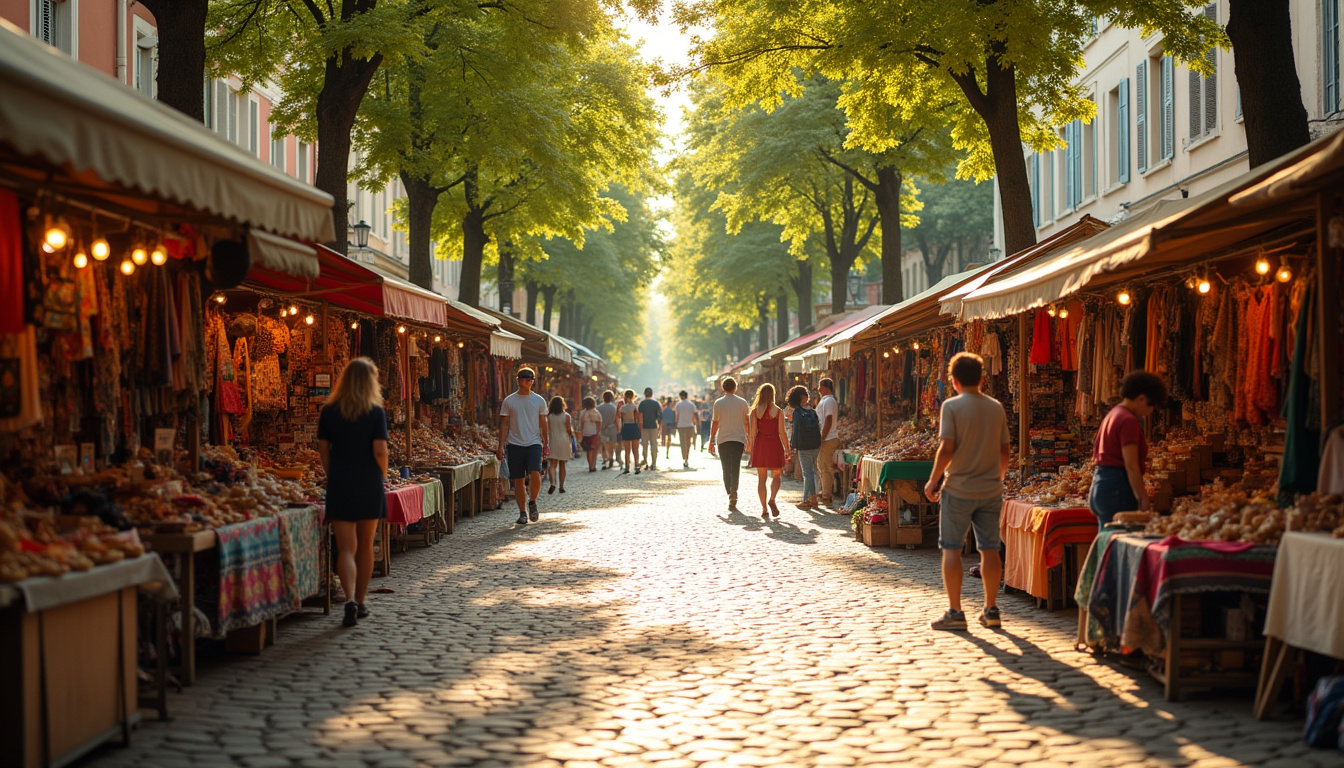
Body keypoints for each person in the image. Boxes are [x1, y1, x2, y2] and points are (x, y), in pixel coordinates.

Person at [923, 353, 1010, 631]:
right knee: (990, 549)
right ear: (983, 379)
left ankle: (955, 612)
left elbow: (946, 448)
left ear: (954, 381)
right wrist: (998, 478)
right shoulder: (996, 407)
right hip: (989, 489)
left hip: (958, 488)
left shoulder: (951, 407)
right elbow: (1005, 451)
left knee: (951, 548)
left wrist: (932, 481)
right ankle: (991, 609)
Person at [317, 357, 389, 628]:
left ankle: (348, 599)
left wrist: (331, 473)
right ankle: (360, 603)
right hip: (368, 481)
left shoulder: (329, 410)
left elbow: (324, 450)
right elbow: (380, 449)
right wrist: (381, 474)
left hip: (340, 481)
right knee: (366, 545)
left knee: (346, 548)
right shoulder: (375, 411)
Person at [1089, 371, 1167, 528]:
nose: (1151, 411)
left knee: (1108, 541)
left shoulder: (1113, 414)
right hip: (1117, 488)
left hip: (1101, 485)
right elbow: (1131, 465)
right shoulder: (1128, 420)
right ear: (1141, 398)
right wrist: (1143, 497)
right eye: (1151, 405)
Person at [497, 367, 549, 526]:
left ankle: (532, 501)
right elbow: (504, 424)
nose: (528, 381)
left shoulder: (539, 400)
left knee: (536, 473)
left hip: (533, 442)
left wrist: (546, 441)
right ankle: (522, 512)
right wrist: (500, 446)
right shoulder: (509, 400)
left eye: (530, 378)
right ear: (518, 380)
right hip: (514, 443)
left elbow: (543, 422)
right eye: (524, 378)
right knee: (518, 480)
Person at [747, 383, 790, 518]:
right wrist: (787, 449)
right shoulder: (778, 411)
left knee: (761, 479)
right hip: (774, 444)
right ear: (773, 395)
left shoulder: (755, 411)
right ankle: (772, 499)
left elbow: (753, 433)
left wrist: (752, 448)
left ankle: (764, 508)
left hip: (761, 444)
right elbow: (782, 432)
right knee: (777, 475)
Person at [710, 377, 750, 510]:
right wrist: (748, 438)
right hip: (738, 439)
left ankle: (730, 491)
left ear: (723, 388)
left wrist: (711, 440)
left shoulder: (719, 403)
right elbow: (746, 421)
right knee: (735, 466)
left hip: (723, 439)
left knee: (726, 467)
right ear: (735, 387)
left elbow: (715, 423)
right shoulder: (742, 402)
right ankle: (734, 491)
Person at [787, 385, 822, 509]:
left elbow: (796, 430)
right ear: (804, 397)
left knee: (808, 474)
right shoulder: (812, 412)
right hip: (815, 445)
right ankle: (806, 499)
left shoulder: (797, 412)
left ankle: (812, 498)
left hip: (804, 447)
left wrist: (793, 446)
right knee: (812, 473)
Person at [815, 378, 841, 508]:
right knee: (821, 467)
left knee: (825, 468)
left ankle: (826, 496)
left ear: (826, 387)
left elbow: (828, 420)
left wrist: (822, 438)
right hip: (826, 438)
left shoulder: (829, 401)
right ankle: (823, 493)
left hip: (828, 438)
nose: (818, 389)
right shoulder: (825, 400)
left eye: (820, 386)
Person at [545, 396, 575, 494]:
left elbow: (547, 431)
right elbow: (568, 430)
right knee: (562, 465)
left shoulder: (549, 417)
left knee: (552, 465)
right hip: (564, 440)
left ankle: (552, 483)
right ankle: (561, 486)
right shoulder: (566, 416)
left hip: (553, 440)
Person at [618, 389, 642, 474]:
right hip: (634, 426)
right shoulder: (635, 407)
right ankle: (637, 466)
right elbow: (638, 418)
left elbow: (620, 418)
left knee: (627, 450)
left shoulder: (623, 408)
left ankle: (627, 467)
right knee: (635, 449)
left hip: (626, 427)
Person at [638, 388, 663, 470]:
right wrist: (659, 428)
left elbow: (640, 416)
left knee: (644, 445)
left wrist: (640, 427)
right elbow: (659, 416)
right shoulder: (656, 403)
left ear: (645, 394)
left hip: (644, 427)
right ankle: (654, 463)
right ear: (652, 394)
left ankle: (645, 461)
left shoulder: (642, 403)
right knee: (654, 445)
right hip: (653, 426)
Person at [674, 390, 699, 469]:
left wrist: (676, 424)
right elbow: (696, 414)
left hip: (681, 425)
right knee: (688, 442)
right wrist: (697, 424)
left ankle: (684, 457)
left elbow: (676, 416)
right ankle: (686, 458)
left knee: (682, 442)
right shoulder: (691, 404)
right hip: (689, 425)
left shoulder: (678, 404)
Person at [578, 396, 603, 472]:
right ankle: (593, 465)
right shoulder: (596, 412)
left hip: (586, 432)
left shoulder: (582, 413)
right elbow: (599, 422)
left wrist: (581, 432)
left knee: (589, 450)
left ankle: (590, 466)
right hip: (594, 432)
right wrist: (598, 432)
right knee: (594, 450)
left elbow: (581, 423)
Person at [597, 390, 619, 469]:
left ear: (603, 397)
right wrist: (618, 429)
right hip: (612, 427)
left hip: (603, 427)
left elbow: (598, 420)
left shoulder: (598, 408)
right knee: (612, 444)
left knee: (604, 444)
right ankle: (611, 457)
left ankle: (605, 458)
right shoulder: (615, 407)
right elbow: (616, 419)